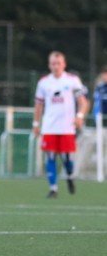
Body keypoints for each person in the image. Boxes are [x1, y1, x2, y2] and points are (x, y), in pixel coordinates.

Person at [33, 51, 90, 198]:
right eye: (53, 63)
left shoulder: (72, 81)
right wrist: (36, 123)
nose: (56, 66)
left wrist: (79, 116)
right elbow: (38, 105)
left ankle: (70, 177)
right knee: (50, 156)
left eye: (58, 63)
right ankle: (53, 188)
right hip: (49, 126)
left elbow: (83, 102)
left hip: (66, 127)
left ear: (64, 64)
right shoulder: (43, 82)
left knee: (66, 158)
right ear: (49, 65)